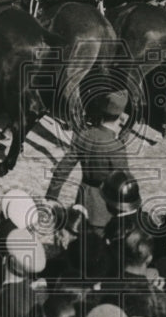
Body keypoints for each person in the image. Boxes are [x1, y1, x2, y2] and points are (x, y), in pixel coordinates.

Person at [46, 90, 130, 232]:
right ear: (121, 117)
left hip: (82, 204)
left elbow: (63, 168)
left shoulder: (83, 136)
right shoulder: (115, 146)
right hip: (105, 212)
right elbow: (124, 184)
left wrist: (51, 196)